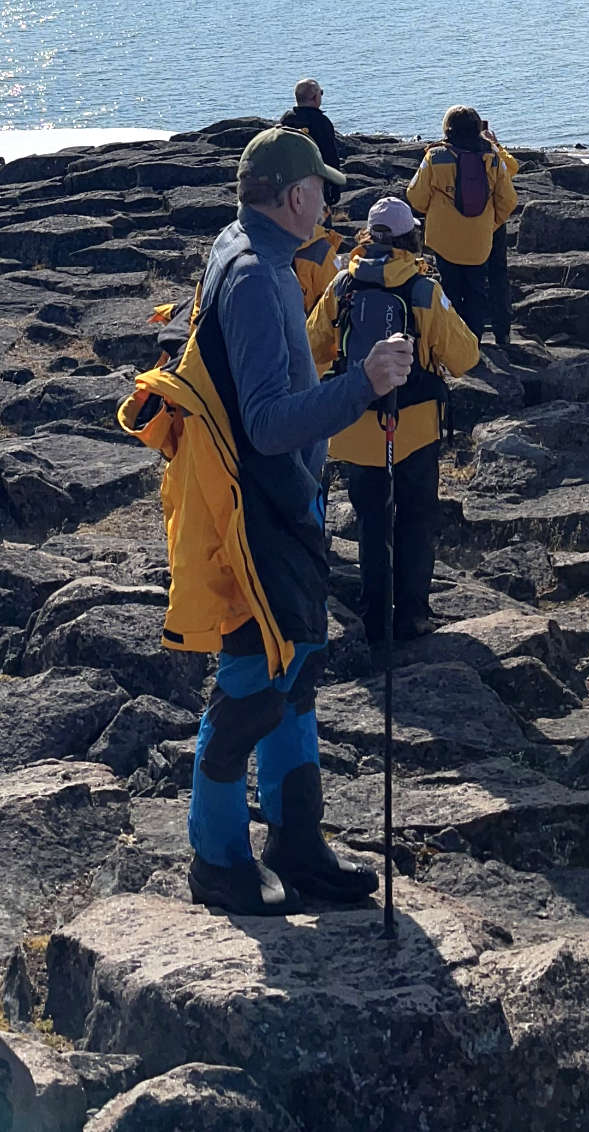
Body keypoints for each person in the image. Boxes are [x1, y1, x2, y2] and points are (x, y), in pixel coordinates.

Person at [124, 128, 413, 915]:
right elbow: (265, 423)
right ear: (293, 198)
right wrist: (365, 382)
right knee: (252, 685)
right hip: (255, 517)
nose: (329, 198)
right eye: (320, 187)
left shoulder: (254, 251)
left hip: (285, 507)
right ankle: (217, 861)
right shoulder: (254, 275)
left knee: (297, 674)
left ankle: (298, 844)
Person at [307, 196, 480, 644]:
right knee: (417, 520)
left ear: (369, 235)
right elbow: (465, 357)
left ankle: (375, 616)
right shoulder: (423, 290)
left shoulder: (343, 285)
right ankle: (412, 616)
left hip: (357, 428)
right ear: (409, 238)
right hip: (415, 427)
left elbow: (312, 347)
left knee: (372, 522)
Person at [407, 106, 517, 348]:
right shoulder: (493, 159)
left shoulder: (434, 158)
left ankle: (453, 345)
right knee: (477, 292)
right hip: (479, 241)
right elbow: (508, 200)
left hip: (443, 240)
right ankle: (473, 343)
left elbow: (415, 196)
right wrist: (490, 223)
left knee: (450, 290)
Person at [277, 79, 346, 173]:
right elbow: (330, 155)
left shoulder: (286, 118)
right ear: (315, 97)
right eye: (321, 93)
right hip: (315, 173)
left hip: (291, 172)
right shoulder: (321, 122)